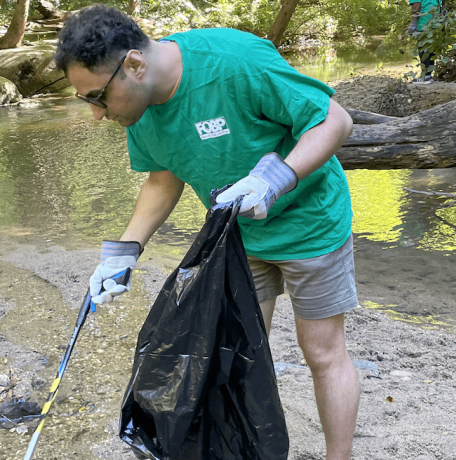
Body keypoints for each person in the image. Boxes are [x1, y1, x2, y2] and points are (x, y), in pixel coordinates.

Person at [54, 5, 359, 459]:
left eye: (98, 97)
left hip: (310, 224)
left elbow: (335, 121)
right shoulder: (139, 107)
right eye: (88, 101)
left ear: (134, 65)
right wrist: (123, 252)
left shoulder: (234, 61)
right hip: (236, 239)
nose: (97, 115)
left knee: (321, 351)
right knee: (240, 354)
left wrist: (275, 180)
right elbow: (162, 178)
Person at [408, 0, 444, 83]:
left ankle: (425, 76)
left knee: (423, 48)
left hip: (424, 21)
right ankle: (428, 75)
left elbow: (416, 5)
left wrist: (413, 22)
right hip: (436, 21)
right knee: (431, 49)